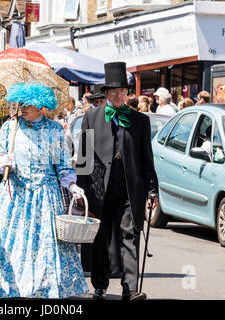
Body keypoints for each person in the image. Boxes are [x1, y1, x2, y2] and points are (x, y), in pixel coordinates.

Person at [0, 83, 89, 299]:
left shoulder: (54, 130)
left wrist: (72, 185)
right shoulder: (11, 126)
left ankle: (43, 287)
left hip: (44, 196)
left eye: (27, 104)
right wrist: (2, 160)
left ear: (40, 105)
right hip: (14, 195)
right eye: (20, 104)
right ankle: (10, 288)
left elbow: (63, 165)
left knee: (44, 246)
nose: (22, 108)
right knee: (10, 244)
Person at [76, 62, 159, 300]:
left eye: (123, 90)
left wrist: (152, 190)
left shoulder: (140, 121)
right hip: (99, 189)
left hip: (130, 189)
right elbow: (83, 157)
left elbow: (147, 159)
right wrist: (82, 191)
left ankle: (130, 288)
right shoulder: (91, 117)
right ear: (106, 94)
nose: (120, 94)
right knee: (100, 238)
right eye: (115, 91)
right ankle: (100, 283)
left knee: (130, 236)